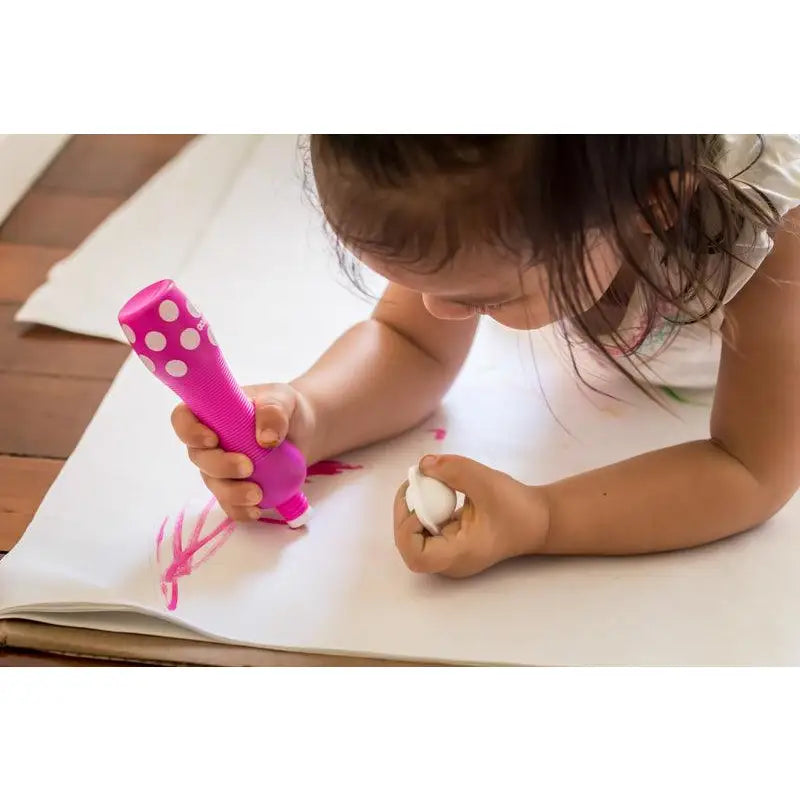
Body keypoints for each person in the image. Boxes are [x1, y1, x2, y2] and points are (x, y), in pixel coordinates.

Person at [170, 135, 800, 578]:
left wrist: (541, 518)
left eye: (487, 297)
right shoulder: (487, 183)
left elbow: (751, 470)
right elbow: (409, 341)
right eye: (424, 286)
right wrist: (310, 414)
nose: (439, 312)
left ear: (652, 210)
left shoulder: (775, 247)